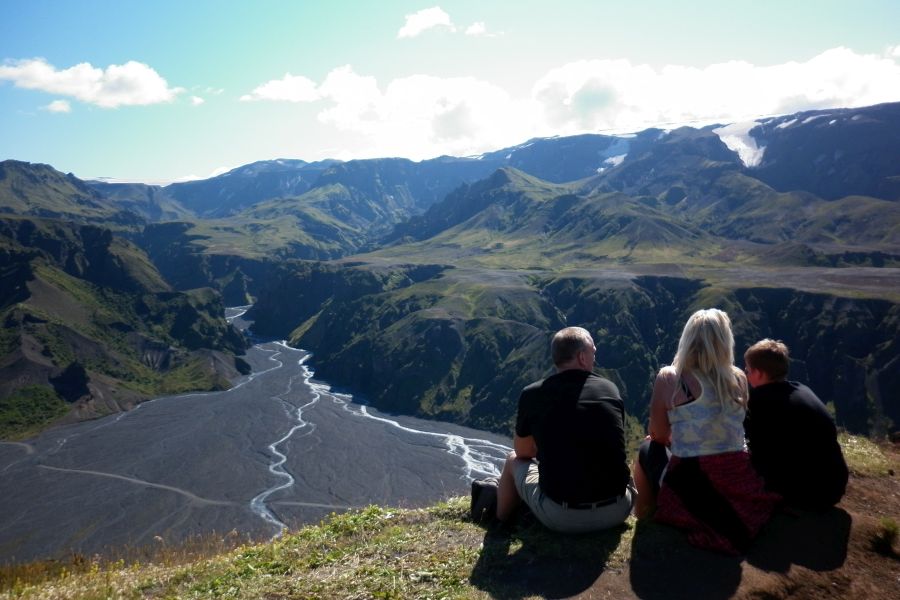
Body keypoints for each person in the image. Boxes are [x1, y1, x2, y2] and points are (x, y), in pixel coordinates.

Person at [633, 309, 780, 554]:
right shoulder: (738, 378)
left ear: (687, 339)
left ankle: (644, 517)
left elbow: (658, 434)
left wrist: (673, 439)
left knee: (648, 448)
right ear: (725, 341)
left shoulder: (671, 378)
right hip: (738, 479)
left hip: (695, 479)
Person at [495, 326, 634, 533]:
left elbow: (524, 453)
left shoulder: (532, 394)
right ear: (581, 357)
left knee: (512, 459)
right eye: (593, 353)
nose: (594, 358)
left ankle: (500, 524)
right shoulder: (610, 389)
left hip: (561, 517)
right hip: (617, 511)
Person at [743, 338, 848, 510]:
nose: (745, 375)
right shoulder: (802, 389)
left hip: (809, 494)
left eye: (748, 370)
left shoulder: (759, 403)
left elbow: (754, 449)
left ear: (760, 373)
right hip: (835, 484)